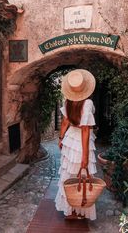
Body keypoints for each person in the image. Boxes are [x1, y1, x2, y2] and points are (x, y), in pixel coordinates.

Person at [55, 69, 97, 220]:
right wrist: (85, 157)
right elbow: (85, 130)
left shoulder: (68, 101)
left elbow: (65, 121)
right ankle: (80, 208)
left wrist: (61, 138)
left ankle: (71, 209)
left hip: (69, 139)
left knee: (69, 174)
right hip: (80, 142)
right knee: (82, 173)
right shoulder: (88, 103)